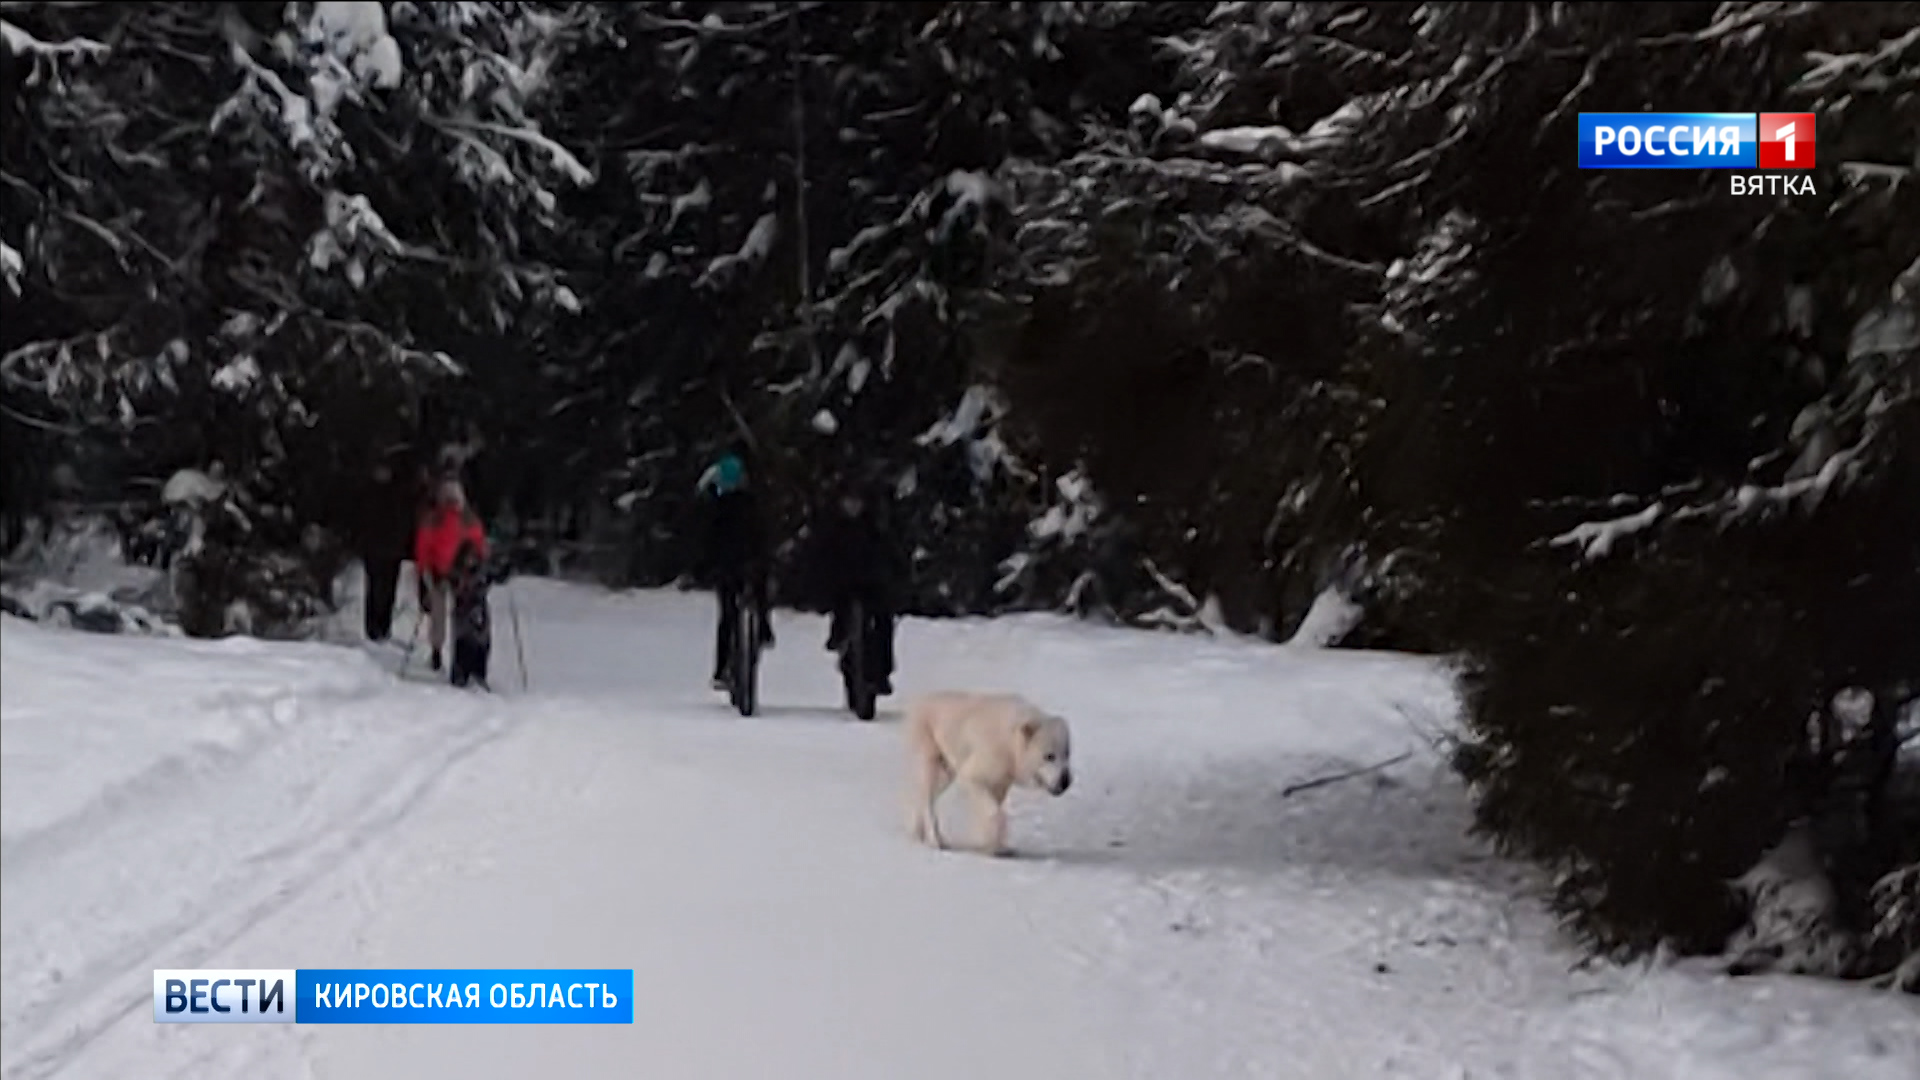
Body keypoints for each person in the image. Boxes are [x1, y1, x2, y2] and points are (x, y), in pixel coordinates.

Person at [808, 481, 900, 695]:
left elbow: (889, 552)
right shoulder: (834, 528)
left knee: (883, 622)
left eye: (856, 502)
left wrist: (892, 574)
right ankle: (841, 639)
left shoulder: (873, 527)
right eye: (848, 502)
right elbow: (820, 556)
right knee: (842, 610)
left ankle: (882, 672)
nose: (853, 507)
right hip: (843, 585)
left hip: (871, 584)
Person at [696, 446, 773, 691]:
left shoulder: (715, 507)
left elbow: (706, 539)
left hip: (727, 564)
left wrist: (704, 566)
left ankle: (721, 668)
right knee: (758, 593)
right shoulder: (752, 504)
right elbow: (761, 534)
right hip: (749, 561)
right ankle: (763, 628)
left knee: (728, 615)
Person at [347, 448, 426, 642]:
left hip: (391, 547)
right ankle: (373, 627)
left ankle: (383, 627)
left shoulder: (396, 492)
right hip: (375, 546)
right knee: (375, 587)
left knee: (387, 588)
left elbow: (405, 518)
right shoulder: (370, 493)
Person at [413, 476, 488, 672]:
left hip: (457, 574)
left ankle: (447, 652)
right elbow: (423, 547)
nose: (451, 501)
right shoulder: (435, 519)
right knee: (441, 613)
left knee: (451, 615)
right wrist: (424, 570)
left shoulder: (466, 519)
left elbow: (479, 546)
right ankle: (438, 650)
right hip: (442, 573)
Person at [446, 538, 502, 689]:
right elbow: (456, 589)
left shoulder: (481, 571)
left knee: (482, 643)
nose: (470, 561)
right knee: (464, 644)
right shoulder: (457, 573)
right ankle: (460, 675)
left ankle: (479, 675)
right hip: (463, 613)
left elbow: (494, 577)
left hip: (480, 611)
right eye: (468, 558)